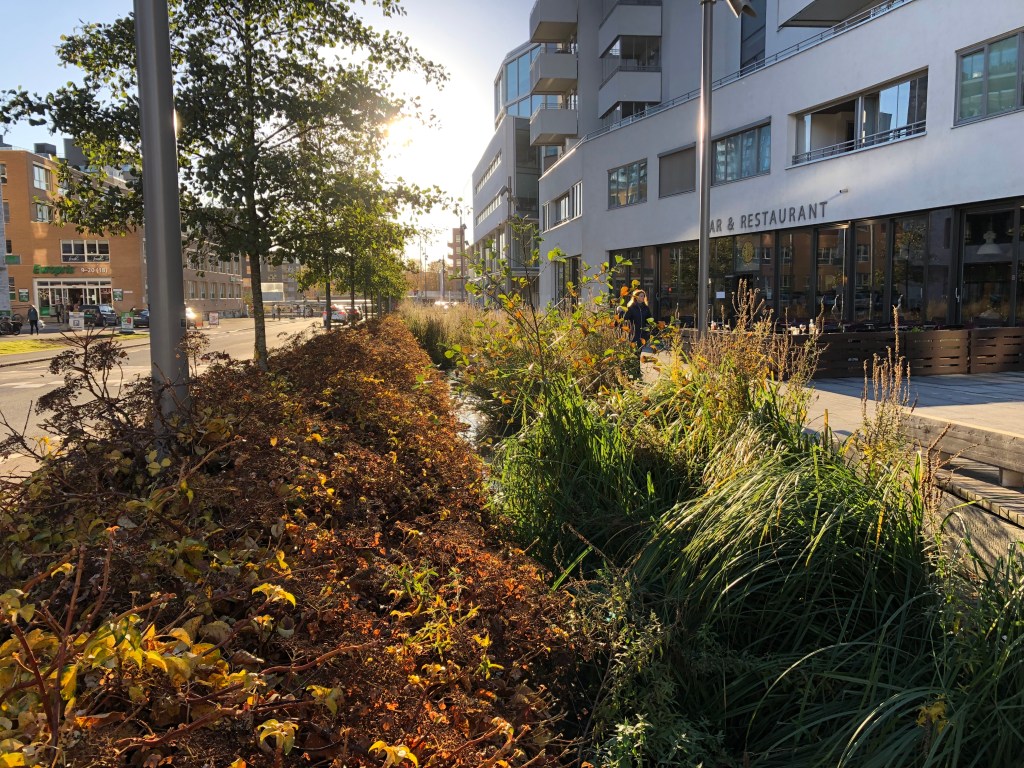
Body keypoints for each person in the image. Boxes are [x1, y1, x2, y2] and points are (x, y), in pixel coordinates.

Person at [622, 289, 652, 355]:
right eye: (641, 296)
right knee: (634, 351)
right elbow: (625, 319)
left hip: (643, 333)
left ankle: (638, 361)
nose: (643, 297)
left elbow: (649, 319)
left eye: (644, 296)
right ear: (636, 297)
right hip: (634, 333)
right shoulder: (631, 308)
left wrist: (650, 326)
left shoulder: (646, 308)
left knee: (640, 350)